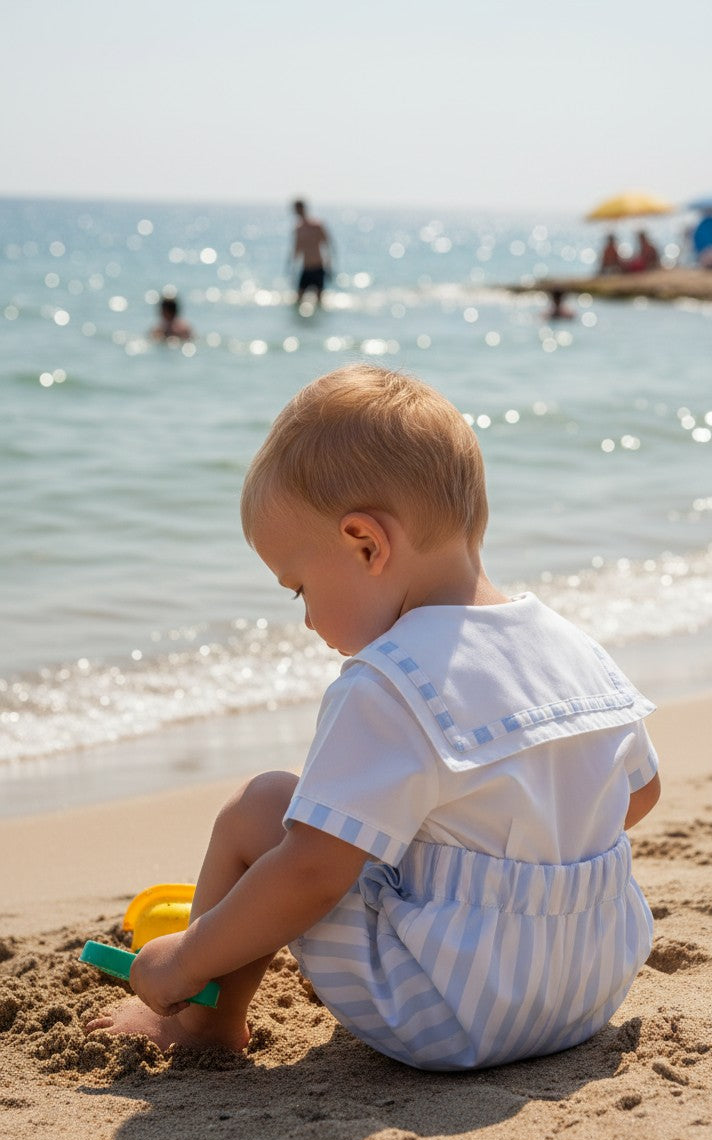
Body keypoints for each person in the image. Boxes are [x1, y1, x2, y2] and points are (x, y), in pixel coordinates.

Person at [87, 365, 661, 1071]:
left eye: (300, 588)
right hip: (588, 987)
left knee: (260, 807)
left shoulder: (386, 681)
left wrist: (180, 959)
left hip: (450, 1010)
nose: (305, 619)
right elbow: (639, 793)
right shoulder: (571, 644)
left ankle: (205, 1021)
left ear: (365, 545)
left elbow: (312, 874)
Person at [290, 199, 332, 306]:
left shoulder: (317, 225)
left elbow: (328, 245)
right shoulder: (298, 228)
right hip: (306, 267)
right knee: (298, 299)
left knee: (319, 301)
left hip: (318, 266)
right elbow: (297, 248)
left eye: (298, 209)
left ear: (303, 208)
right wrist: (291, 266)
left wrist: (329, 264)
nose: (297, 212)